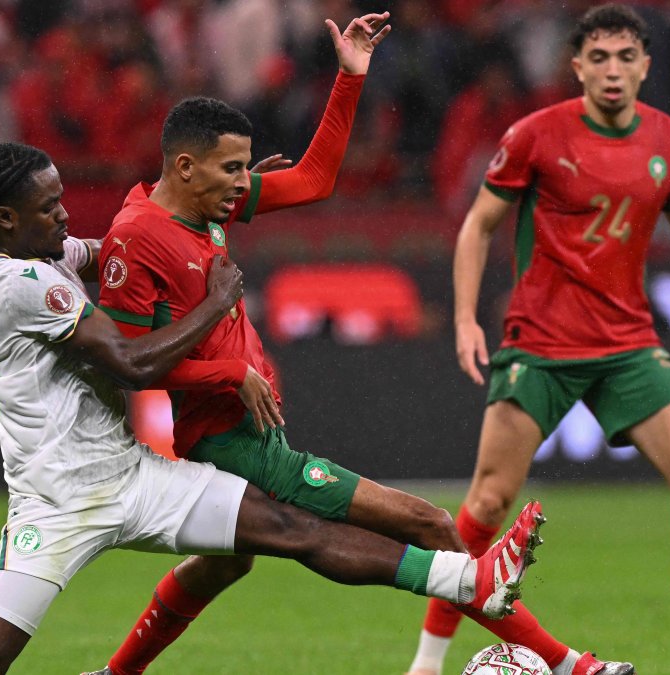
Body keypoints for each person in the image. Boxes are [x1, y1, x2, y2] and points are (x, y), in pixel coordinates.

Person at [0, 141, 546, 675]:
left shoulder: (45, 254)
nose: (64, 219)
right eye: (48, 208)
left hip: (130, 477)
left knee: (288, 528)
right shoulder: (19, 285)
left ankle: (466, 580)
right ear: (3, 219)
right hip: (55, 502)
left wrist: (205, 203)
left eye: (62, 203)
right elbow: (130, 361)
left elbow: (125, 242)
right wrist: (218, 299)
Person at [83, 11, 590, 675]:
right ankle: (568, 663)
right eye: (231, 168)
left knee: (223, 561)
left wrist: (349, 77)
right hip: (225, 438)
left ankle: (114, 673)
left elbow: (316, 180)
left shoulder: (207, 203)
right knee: (430, 525)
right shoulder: (137, 236)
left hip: (253, 430)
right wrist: (228, 374)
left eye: (244, 169)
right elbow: (126, 364)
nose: (244, 182)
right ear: (185, 166)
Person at [409, 6, 670, 675]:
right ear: (577, 66)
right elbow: (478, 225)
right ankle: (425, 662)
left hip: (627, 345)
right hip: (540, 343)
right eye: (599, 57)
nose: (613, 70)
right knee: (485, 504)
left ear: (646, 65)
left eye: (625, 57)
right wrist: (467, 318)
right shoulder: (536, 135)